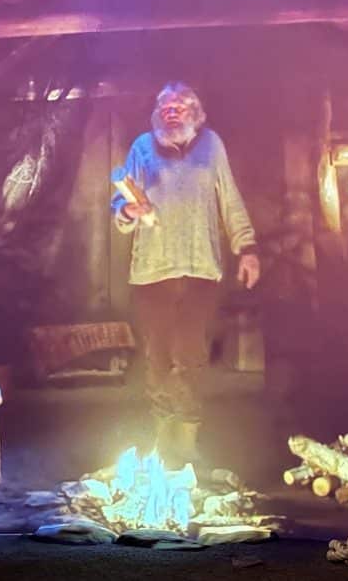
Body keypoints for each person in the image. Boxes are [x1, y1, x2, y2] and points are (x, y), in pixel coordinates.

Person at [112, 82, 260, 466]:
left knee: (191, 354)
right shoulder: (142, 148)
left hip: (200, 269)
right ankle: (164, 436)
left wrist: (247, 248)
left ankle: (189, 433)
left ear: (196, 113)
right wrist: (130, 211)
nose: (171, 111)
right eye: (165, 106)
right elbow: (121, 201)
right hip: (152, 272)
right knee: (158, 356)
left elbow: (229, 199)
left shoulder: (211, 146)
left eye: (179, 106)